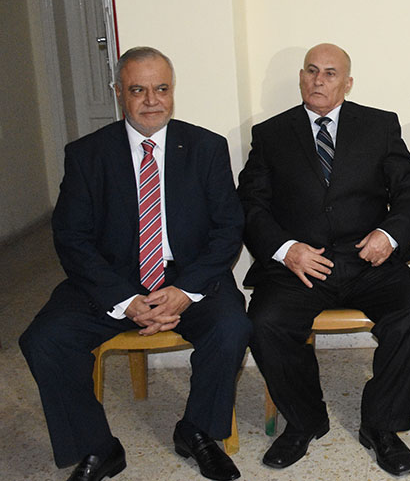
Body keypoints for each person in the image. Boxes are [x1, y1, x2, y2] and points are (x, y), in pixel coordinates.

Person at [19, 47, 249, 481]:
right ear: (119, 93)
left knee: (232, 327)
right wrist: (125, 299)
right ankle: (97, 447)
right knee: (44, 339)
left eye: (161, 88)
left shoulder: (205, 147)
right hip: (110, 281)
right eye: (138, 90)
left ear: (172, 90)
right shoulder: (87, 154)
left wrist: (184, 291)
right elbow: (71, 238)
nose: (151, 101)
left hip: (185, 277)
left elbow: (228, 228)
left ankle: (197, 431)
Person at [237, 43, 410, 476]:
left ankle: (381, 425)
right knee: (265, 322)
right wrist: (286, 250)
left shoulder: (379, 125)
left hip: (367, 260)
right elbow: (251, 204)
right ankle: (305, 421)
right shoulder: (271, 133)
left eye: (330, 73)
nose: (318, 80)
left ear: (347, 83)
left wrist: (389, 236)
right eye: (311, 71)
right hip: (300, 264)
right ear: (301, 77)